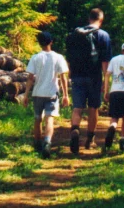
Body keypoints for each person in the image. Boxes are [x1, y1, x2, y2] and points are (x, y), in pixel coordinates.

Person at [65, 8, 112, 154]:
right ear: (101, 19)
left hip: (77, 76)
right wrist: (106, 82)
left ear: (89, 18)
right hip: (94, 77)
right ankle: (90, 140)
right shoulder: (103, 35)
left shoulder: (75, 34)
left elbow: (69, 58)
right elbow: (105, 62)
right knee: (93, 108)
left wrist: (69, 76)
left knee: (77, 108)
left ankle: (75, 130)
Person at [23, 31, 70, 159]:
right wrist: (66, 95)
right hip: (52, 93)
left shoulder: (35, 57)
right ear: (51, 42)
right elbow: (63, 77)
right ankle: (47, 142)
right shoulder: (58, 57)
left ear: (39, 43)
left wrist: (26, 95)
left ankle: (37, 143)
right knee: (49, 119)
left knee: (37, 119)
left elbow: (30, 78)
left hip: (38, 93)